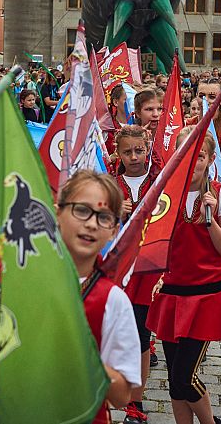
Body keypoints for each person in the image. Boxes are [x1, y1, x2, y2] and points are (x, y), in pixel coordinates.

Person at [147, 126, 221, 424]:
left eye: (199, 155)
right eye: (185, 153)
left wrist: (210, 221)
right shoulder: (165, 194)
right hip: (173, 294)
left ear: (210, 158)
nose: (192, 160)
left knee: (185, 377)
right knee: (175, 380)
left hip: (205, 296)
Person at [56, 171, 141, 423]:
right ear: (57, 213)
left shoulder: (113, 300)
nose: (92, 224)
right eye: (82, 210)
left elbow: (122, 394)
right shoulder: (24, 281)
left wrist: (82, 352)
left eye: (103, 217)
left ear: (114, 230)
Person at [112, 126, 162, 424]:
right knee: (118, 333)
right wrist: (115, 212)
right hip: (118, 271)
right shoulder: (111, 183)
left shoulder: (160, 181)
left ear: (147, 149)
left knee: (142, 335)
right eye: (127, 152)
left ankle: (136, 402)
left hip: (148, 271)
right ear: (118, 153)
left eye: (139, 150)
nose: (134, 157)